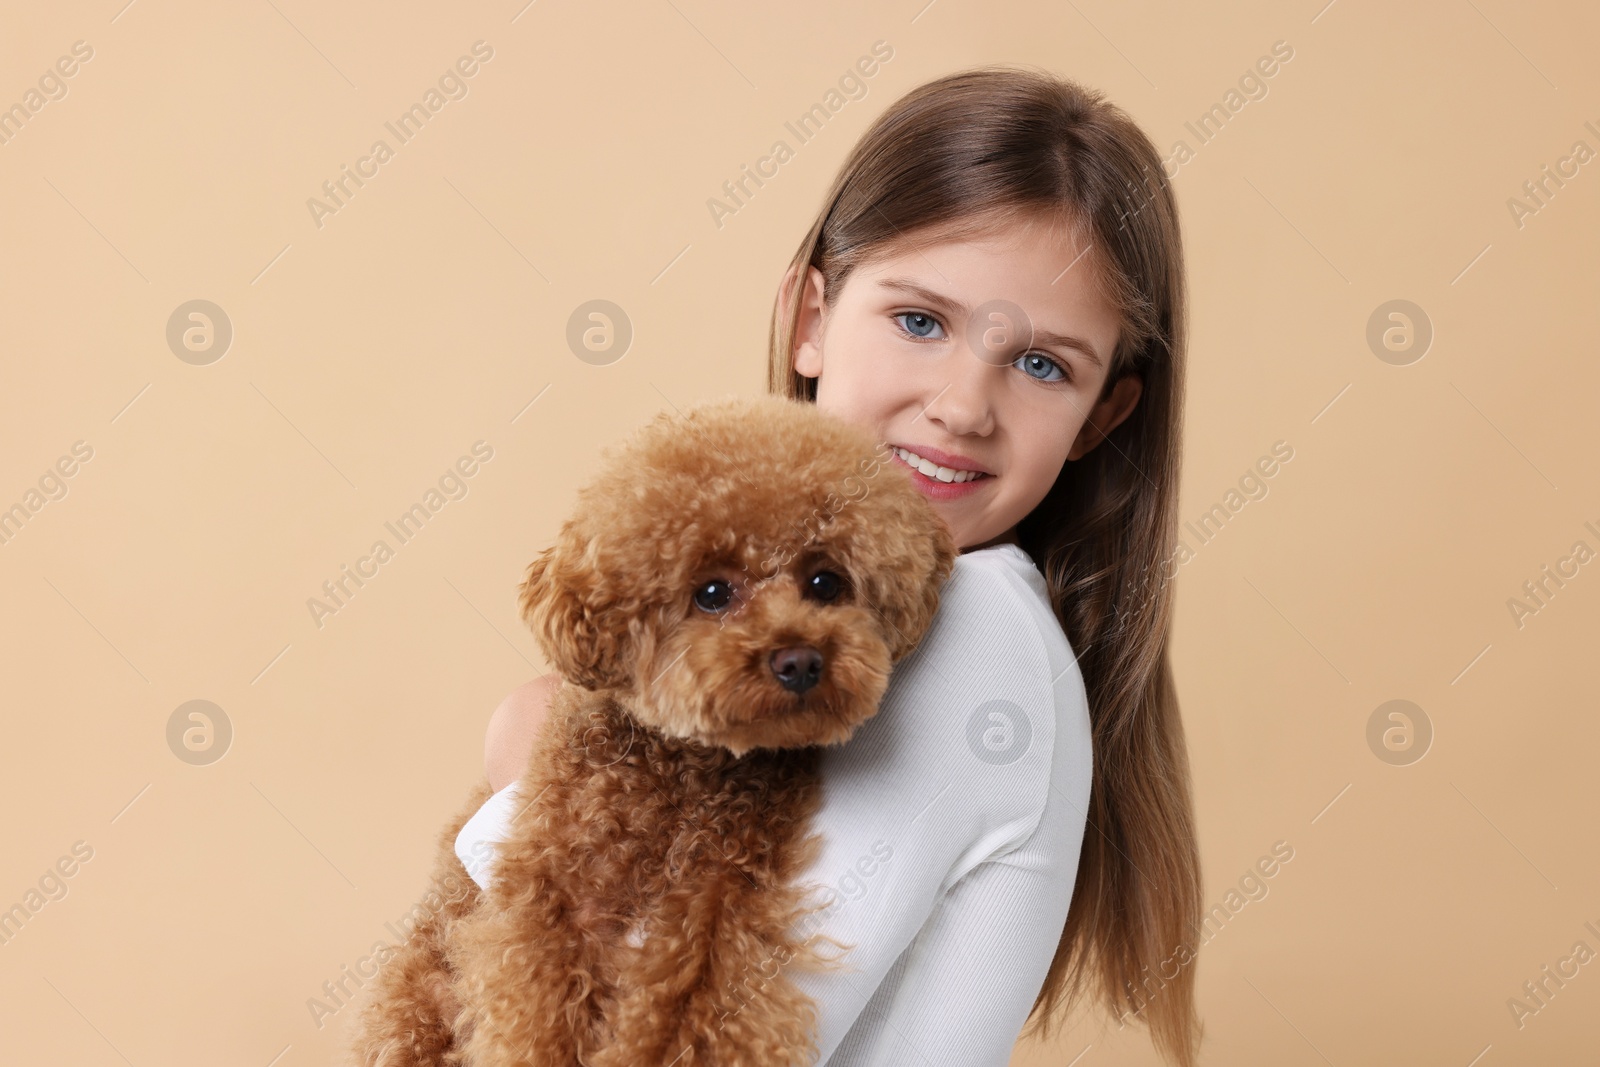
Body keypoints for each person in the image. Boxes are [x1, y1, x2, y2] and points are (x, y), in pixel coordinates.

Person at [456, 65, 1202, 1066]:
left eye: (1039, 364)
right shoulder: (900, 633)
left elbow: (656, 1019)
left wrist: (527, 761)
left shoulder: (977, 633)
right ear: (810, 318)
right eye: (921, 321)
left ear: (1100, 417)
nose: (962, 404)